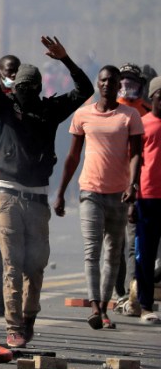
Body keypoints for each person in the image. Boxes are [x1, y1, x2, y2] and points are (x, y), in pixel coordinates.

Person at [0, 23, 93, 349]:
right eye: (19, 86)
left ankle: (28, 319)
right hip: (8, 196)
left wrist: (65, 59)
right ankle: (14, 327)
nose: (24, 91)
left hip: (37, 200)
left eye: (29, 86)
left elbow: (84, 89)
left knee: (35, 266)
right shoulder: (5, 109)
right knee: (12, 265)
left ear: (38, 88)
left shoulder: (49, 110)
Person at [54, 66, 143, 330]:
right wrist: (61, 192)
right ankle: (94, 306)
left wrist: (133, 185)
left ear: (118, 86)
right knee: (92, 251)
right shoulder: (83, 114)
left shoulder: (130, 116)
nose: (107, 85)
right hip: (90, 191)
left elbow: (136, 154)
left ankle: (104, 308)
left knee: (113, 253)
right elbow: (73, 156)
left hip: (118, 193)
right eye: (103, 80)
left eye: (112, 81)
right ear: (98, 83)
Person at [113, 63, 150, 315]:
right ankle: (118, 292)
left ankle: (131, 293)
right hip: (110, 183)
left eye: (132, 81)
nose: (127, 86)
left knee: (133, 243)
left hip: (136, 186)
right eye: (123, 80)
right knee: (114, 243)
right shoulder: (108, 109)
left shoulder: (146, 112)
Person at [131, 75, 161, 324]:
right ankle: (145, 305)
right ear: (152, 98)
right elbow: (132, 162)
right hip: (147, 196)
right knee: (146, 255)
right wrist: (131, 199)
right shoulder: (142, 125)